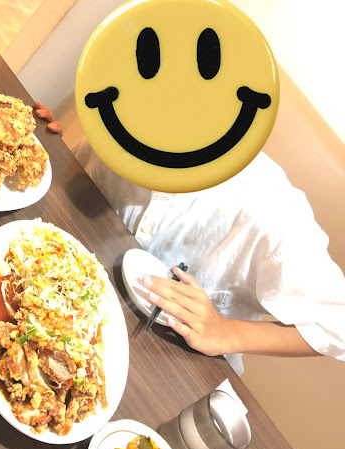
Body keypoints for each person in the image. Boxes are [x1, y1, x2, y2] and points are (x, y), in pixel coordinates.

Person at [34, 87, 345, 374]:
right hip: (65, 299)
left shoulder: (269, 209)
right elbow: (77, 196)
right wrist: (50, 156)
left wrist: (227, 332)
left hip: (173, 364)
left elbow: (338, 325)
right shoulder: (124, 114)